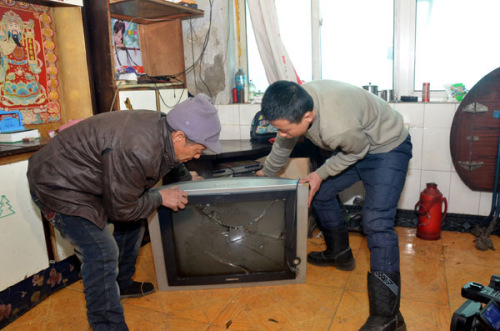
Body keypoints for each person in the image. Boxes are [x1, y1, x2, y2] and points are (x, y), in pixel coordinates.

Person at [27, 93, 221, 331]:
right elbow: (122, 209)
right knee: (101, 252)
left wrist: (186, 180)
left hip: (88, 180)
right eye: (198, 150)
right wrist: (160, 197)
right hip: (57, 185)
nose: (198, 156)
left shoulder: (165, 127)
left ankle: (122, 283)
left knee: (134, 221)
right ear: (179, 136)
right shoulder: (138, 150)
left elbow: (171, 161)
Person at [256, 80, 412, 331]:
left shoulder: (336, 127)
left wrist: (320, 174)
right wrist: (266, 173)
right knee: (318, 194)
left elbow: (356, 151)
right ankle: (339, 254)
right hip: (358, 145)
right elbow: (284, 142)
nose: (281, 135)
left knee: (377, 223)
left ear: (307, 116)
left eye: (284, 129)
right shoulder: (297, 103)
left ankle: (388, 317)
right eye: (278, 129)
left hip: (387, 147)